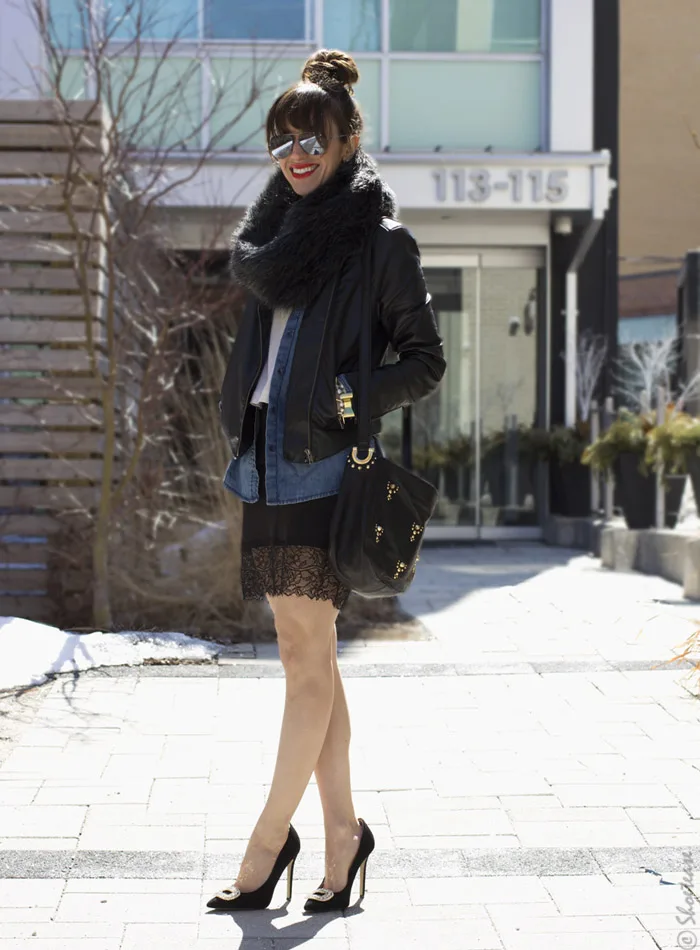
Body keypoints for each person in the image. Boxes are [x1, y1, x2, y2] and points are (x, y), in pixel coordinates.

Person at [210, 49, 446, 914]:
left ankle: (270, 842)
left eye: (312, 138)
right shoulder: (272, 242)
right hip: (266, 458)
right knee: (308, 660)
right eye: (282, 142)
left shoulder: (380, 243)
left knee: (306, 663)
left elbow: (426, 361)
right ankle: (343, 834)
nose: (296, 155)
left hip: (320, 459)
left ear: (348, 138)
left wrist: (353, 396)